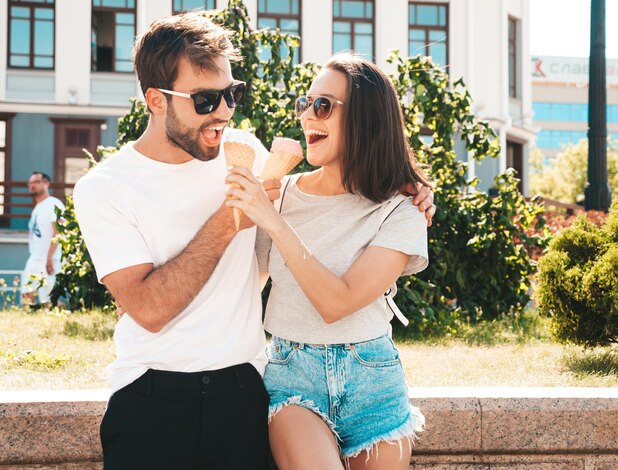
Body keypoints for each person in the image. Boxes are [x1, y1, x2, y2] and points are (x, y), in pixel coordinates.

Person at [73, 12, 435, 470]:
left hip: (243, 391)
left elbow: (302, 225)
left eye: (232, 94)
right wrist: (232, 219)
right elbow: (148, 309)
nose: (224, 112)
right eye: (205, 100)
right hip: (151, 396)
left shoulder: (246, 153)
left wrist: (409, 189)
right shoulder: (105, 187)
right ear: (156, 100)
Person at [226, 54, 431, 470]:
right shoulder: (277, 193)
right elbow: (247, 281)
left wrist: (273, 221)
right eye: (306, 103)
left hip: (372, 380)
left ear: (366, 119)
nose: (308, 117)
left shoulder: (402, 211)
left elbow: (338, 303)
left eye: (324, 106)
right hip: (293, 378)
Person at [21, 171, 65, 306]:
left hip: (50, 259)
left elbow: (58, 231)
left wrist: (49, 257)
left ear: (46, 183)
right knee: (27, 295)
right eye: (30, 183)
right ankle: (29, 323)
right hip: (35, 258)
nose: (32, 185)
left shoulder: (53, 204)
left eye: (36, 182)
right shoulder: (38, 208)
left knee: (50, 301)